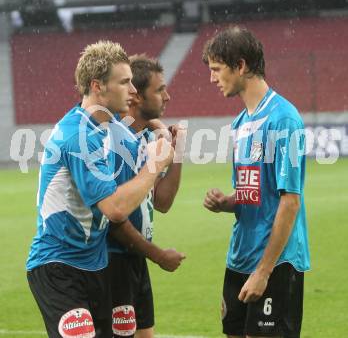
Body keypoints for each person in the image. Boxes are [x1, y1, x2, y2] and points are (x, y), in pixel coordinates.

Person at [26, 41, 173, 338]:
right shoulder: (78, 136)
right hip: (59, 265)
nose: (133, 90)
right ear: (98, 86)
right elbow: (115, 208)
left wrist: (158, 133)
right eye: (125, 82)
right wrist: (155, 165)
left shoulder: (107, 125)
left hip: (96, 264)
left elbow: (153, 189)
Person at [202, 27, 310, 338]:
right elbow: (253, 194)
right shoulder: (241, 123)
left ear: (241, 65)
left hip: (274, 263)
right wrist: (227, 203)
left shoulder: (284, 120)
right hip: (240, 256)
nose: (212, 79)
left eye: (217, 69)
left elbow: (290, 200)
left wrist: (264, 272)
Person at [107, 54, 185, 338]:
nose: (167, 96)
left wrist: (177, 151)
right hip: (113, 261)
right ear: (136, 96)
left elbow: (162, 202)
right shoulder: (115, 143)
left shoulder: (146, 138)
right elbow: (113, 220)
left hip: (134, 257)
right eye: (160, 89)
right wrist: (159, 255)